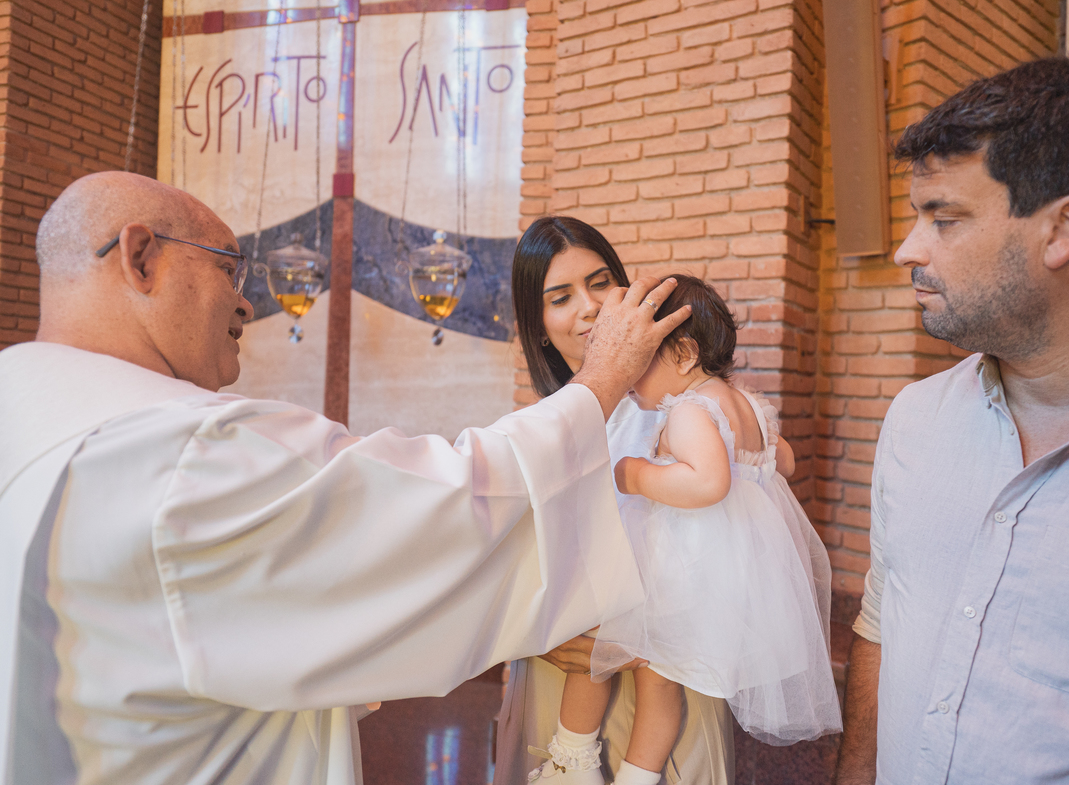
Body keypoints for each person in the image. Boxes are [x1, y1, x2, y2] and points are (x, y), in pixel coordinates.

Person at [0, 172, 692, 785]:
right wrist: (602, 379)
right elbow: (448, 508)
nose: (245, 307)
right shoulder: (184, 450)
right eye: (229, 272)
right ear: (141, 256)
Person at [833, 57, 1069, 785]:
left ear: (1066, 227)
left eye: (944, 217)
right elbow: (885, 621)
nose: (908, 249)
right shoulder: (914, 419)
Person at [527, 275, 840, 785]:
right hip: (729, 579)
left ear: (685, 352)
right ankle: (638, 776)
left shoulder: (691, 410)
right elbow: (784, 460)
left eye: (639, 359)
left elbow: (709, 483)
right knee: (661, 685)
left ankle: (572, 759)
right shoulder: (751, 405)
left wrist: (635, 472)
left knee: (599, 655)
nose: (627, 373)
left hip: (676, 573)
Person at [495, 218, 735, 785]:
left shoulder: (677, 403)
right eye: (561, 297)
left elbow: (733, 522)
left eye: (601, 284)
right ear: (538, 323)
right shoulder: (532, 429)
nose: (590, 308)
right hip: (566, 675)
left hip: (665, 680)